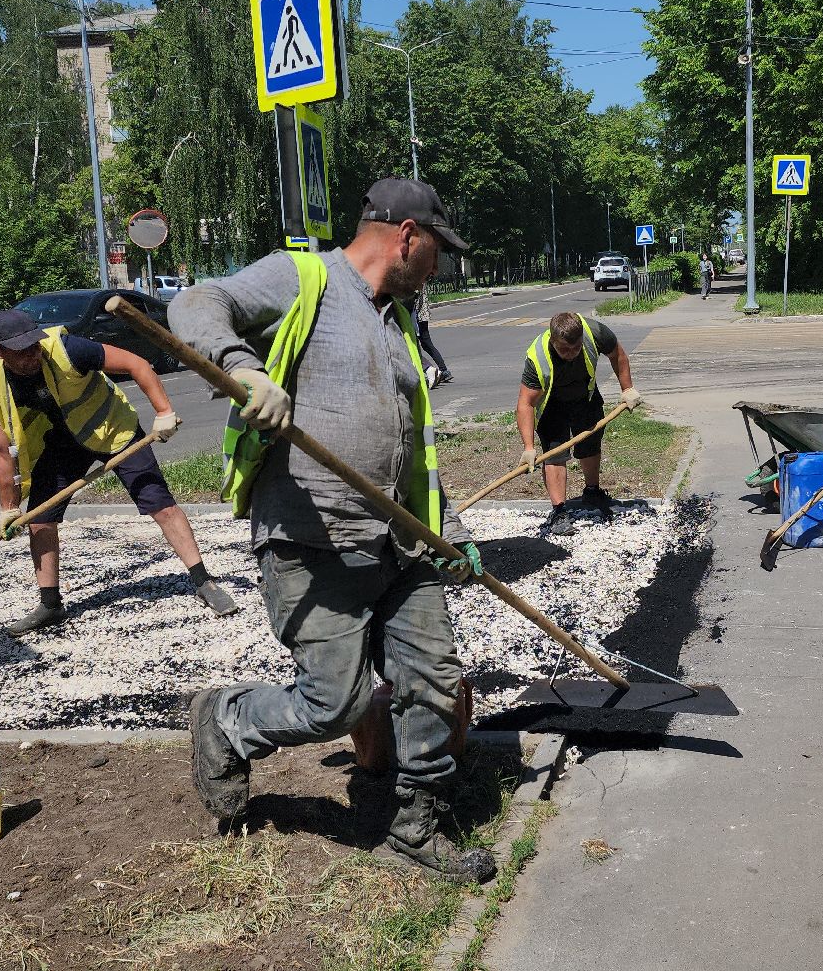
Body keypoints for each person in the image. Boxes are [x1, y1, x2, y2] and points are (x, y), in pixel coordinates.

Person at [169, 177, 495, 884]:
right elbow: (194, 303)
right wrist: (242, 370)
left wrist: (455, 529)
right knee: (334, 703)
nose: (440, 266)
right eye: (438, 249)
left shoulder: (401, 319)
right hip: (312, 542)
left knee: (435, 680)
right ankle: (228, 721)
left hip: (402, 547)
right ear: (405, 236)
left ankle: (417, 826)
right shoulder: (304, 277)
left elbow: (414, 449)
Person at [0, 308, 237, 634]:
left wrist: (164, 411)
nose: (32, 355)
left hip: (114, 430)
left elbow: (136, 364)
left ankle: (204, 581)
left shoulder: (66, 348)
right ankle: (50, 604)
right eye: (21, 351)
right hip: (63, 443)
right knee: (39, 520)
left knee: (160, 504)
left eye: (34, 345)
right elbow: (2, 451)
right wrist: (8, 507)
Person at [516, 311, 643, 535]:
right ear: (553, 340)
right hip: (552, 404)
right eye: (564, 349)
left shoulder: (595, 332)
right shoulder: (537, 358)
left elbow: (618, 354)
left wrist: (627, 389)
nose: (571, 354)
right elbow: (525, 404)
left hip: (586, 396)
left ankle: (592, 492)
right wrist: (528, 447)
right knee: (555, 454)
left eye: (576, 348)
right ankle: (559, 511)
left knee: (590, 444)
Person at [411, 282, 453, 387]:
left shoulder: (416, 277)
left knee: (415, 346)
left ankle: (437, 371)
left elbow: (414, 296)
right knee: (427, 345)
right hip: (422, 315)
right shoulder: (421, 276)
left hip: (417, 316)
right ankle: (443, 370)